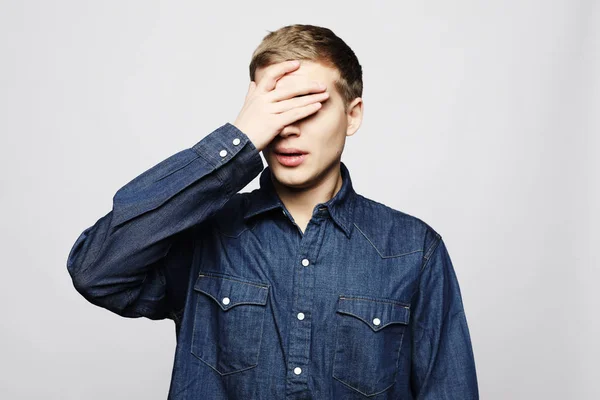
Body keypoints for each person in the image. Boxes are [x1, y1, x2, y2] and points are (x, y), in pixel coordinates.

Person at [66, 24, 479, 399]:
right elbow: (96, 271)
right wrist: (237, 141)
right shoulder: (204, 234)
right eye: (275, 107)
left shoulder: (414, 250)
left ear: (352, 115)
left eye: (308, 105)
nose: (288, 126)